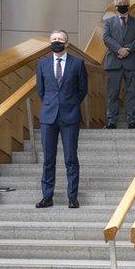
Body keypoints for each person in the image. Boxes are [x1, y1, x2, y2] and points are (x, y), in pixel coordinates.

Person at [35, 29, 88, 209]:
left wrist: (69, 104)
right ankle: (47, 197)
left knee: (71, 158)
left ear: (66, 43)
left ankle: (72, 197)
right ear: (50, 42)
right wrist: (52, 104)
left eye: (60, 39)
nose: (57, 41)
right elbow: (40, 91)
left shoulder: (78, 63)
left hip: (70, 116)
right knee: (48, 159)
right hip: (48, 117)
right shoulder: (42, 64)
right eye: (54, 39)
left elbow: (82, 90)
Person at [102, 0, 135, 129]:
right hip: (113, 63)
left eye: (124, 4)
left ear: (129, 5)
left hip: (131, 63)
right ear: (115, 6)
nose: (122, 7)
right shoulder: (108, 22)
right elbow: (106, 38)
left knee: (132, 94)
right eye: (119, 5)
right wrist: (119, 49)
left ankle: (132, 121)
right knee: (112, 94)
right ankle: (111, 121)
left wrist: (127, 50)